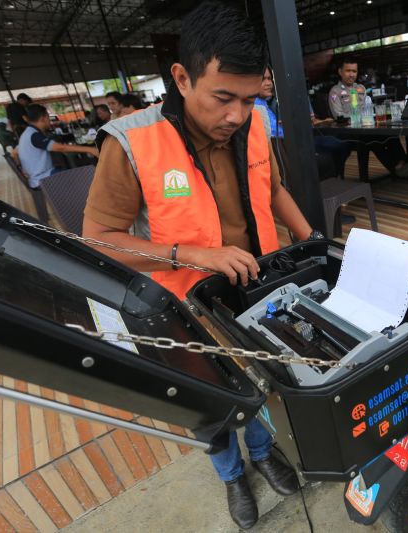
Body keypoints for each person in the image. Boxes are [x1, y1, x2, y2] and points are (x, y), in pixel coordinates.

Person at [82, 3, 314, 528]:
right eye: (223, 97)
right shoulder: (132, 141)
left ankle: (261, 452)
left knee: (256, 381)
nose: (236, 114)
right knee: (210, 402)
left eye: (249, 98)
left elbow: (273, 188)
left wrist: (311, 239)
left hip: (253, 287)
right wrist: (191, 254)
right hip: (182, 304)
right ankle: (231, 472)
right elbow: (97, 240)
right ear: (183, 78)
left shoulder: (253, 123)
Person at [328, 57, 408, 176]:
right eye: (348, 71)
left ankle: (403, 162)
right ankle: (395, 168)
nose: (351, 74)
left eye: (354, 71)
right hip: (348, 132)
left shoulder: (361, 88)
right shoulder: (335, 92)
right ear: (340, 72)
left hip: (366, 126)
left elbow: (368, 105)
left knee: (389, 133)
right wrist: (358, 116)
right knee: (372, 139)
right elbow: (338, 116)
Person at [14, 104, 98, 188]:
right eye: (48, 117)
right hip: (43, 179)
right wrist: (90, 149)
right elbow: (60, 147)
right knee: (84, 176)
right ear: (43, 118)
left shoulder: (26, 134)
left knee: (77, 172)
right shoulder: (34, 135)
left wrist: (20, 168)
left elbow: (14, 153)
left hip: (38, 178)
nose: (49, 120)